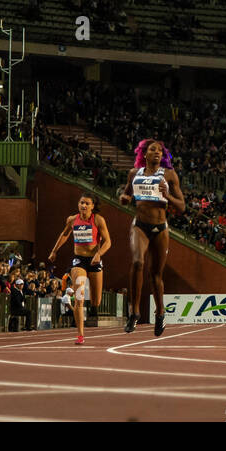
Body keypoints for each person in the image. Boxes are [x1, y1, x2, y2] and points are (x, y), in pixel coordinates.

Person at [119, 139, 185, 336]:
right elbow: (126, 195)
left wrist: (168, 196)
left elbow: (181, 207)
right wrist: (125, 199)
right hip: (139, 226)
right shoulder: (134, 173)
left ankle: (160, 313)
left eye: (160, 150)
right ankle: (135, 312)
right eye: (152, 149)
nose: (157, 152)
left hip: (160, 228)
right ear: (144, 154)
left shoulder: (169, 175)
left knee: (156, 275)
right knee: (138, 262)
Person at [48, 192, 112, 345]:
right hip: (79, 261)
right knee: (79, 298)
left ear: (92, 206)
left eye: (87, 203)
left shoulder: (98, 220)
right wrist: (54, 251)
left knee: (96, 301)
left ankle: (93, 307)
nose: (83, 205)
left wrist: (98, 254)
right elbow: (64, 234)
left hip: (94, 261)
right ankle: (80, 335)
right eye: (81, 202)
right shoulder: (72, 220)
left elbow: (108, 242)